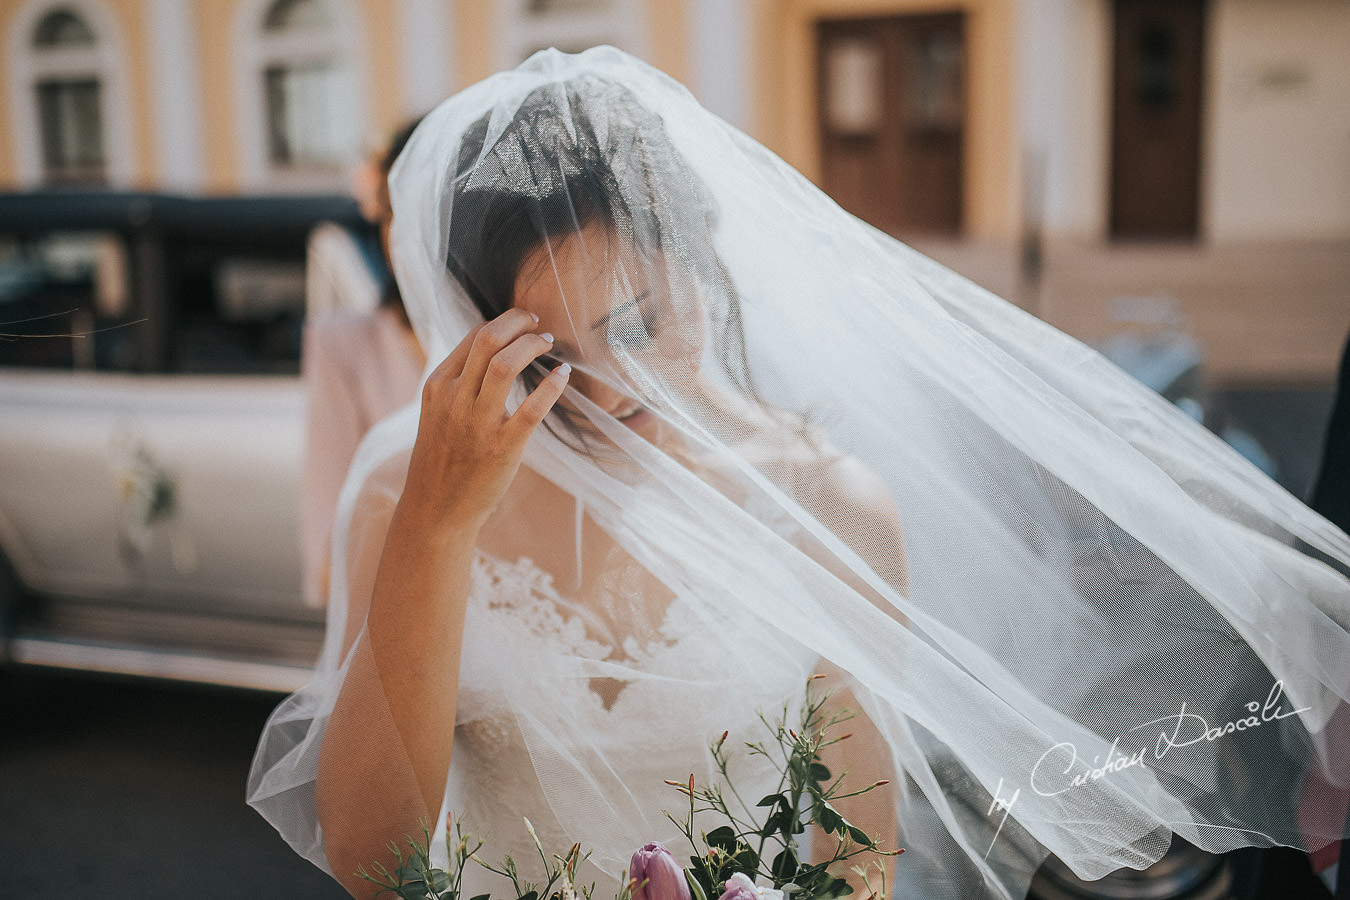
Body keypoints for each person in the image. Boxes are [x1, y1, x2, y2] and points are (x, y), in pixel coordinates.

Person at [250, 48, 1350, 900]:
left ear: (706, 260)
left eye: (641, 320)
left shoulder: (830, 502)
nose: (615, 386)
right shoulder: (411, 493)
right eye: (552, 358)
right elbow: (368, 859)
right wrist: (440, 531)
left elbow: (860, 853)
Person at [299, 122, 427, 608]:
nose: (408, 235)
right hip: (392, 611)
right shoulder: (341, 346)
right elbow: (329, 552)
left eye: (432, 209)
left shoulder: (530, 341)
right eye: (394, 213)